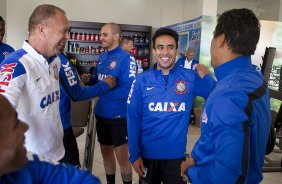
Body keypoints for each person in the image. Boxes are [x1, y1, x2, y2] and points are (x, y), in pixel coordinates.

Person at [180, 8, 271, 184]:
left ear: (221, 39)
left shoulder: (228, 96)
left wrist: (191, 172)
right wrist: (211, 84)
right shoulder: (253, 76)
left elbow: (227, 175)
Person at [127, 27, 215, 184]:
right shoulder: (141, 80)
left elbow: (217, 96)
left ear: (177, 51)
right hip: (147, 157)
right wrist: (134, 154)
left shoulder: (190, 78)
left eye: (170, 47)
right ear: (154, 51)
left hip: (176, 159)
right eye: (160, 47)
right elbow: (133, 118)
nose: (165, 53)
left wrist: (207, 77)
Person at [0, 4, 69, 161]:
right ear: (42, 30)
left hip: (58, 153)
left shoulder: (55, 60)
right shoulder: (16, 65)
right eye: (63, 31)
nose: (67, 37)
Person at [0, 94, 101, 183]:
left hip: (58, 140)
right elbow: (76, 93)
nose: (25, 127)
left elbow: (82, 179)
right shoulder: (17, 74)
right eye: (15, 124)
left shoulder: (23, 167)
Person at [90, 23, 136, 184]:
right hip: (101, 114)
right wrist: (90, 81)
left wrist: (102, 89)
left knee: (122, 158)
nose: (100, 38)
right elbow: (97, 81)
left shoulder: (127, 59)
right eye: (100, 34)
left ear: (116, 36)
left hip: (119, 116)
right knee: (105, 152)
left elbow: (129, 89)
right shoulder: (102, 57)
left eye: (104, 35)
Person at [58, 52, 116, 167]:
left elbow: (73, 87)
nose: (66, 37)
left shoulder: (57, 56)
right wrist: (105, 85)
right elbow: (77, 94)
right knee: (71, 171)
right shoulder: (60, 59)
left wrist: (85, 81)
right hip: (60, 127)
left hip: (54, 124)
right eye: (63, 32)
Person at [175, 47, 199, 124]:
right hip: (180, 85)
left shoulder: (196, 63)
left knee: (190, 102)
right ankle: (178, 117)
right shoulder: (180, 61)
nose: (190, 57)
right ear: (186, 54)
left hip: (191, 86)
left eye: (192, 55)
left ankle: (189, 118)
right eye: (189, 55)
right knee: (180, 100)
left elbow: (197, 75)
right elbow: (176, 71)